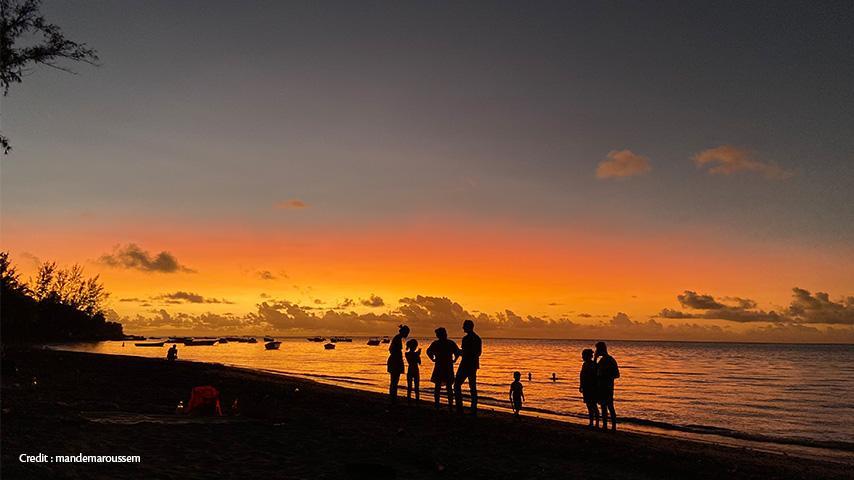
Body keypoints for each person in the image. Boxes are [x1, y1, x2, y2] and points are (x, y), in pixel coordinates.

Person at [426, 327, 460, 410]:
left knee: (438, 386)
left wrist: (433, 358)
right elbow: (457, 352)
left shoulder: (436, 343)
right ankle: (450, 405)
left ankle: (438, 404)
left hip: (440, 365)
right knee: (448, 387)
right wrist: (455, 359)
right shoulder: (450, 343)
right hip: (447, 366)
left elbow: (428, 351)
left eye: (437, 334)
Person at [454, 319, 482, 415]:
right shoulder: (478, 338)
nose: (463, 328)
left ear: (468, 327)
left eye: (464, 326)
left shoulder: (466, 339)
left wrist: (459, 353)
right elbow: (479, 353)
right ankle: (473, 409)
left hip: (466, 364)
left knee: (457, 384)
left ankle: (459, 408)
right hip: (473, 364)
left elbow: (465, 352)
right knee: (472, 387)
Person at [595, 341, 620, 431]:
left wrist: (606, 376)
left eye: (597, 349)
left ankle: (613, 427)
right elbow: (595, 370)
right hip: (601, 387)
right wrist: (595, 358)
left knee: (609, 406)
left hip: (607, 387)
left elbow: (617, 375)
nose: (596, 351)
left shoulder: (610, 360)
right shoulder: (601, 360)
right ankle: (605, 425)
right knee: (603, 406)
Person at [386, 325, 410, 404]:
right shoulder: (397, 339)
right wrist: (398, 359)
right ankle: (393, 398)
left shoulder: (397, 338)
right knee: (394, 381)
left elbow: (391, 349)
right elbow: (393, 350)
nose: (407, 334)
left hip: (394, 361)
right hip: (395, 361)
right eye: (407, 333)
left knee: (394, 381)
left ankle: (393, 397)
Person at [579, 348, 599, 428]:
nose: (582, 357)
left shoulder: (593, 365)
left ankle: (596, 423)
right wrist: (581, 386)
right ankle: (591, 422)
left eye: (583, 355)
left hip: (592, 388)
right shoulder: (585, 364)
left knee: (593, 405)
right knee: (589, 406)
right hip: (586, 387)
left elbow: (595, 377)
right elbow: (582, 376)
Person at [405, 339, 421, 404]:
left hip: (410, 369)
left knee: (409, 386)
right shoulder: (415, 354)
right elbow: (419, 362)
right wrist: (418, 354)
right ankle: (417, 400)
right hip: (415, 369)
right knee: (416, 386)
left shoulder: (407, 354)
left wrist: (417, 354)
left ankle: (409, 399)